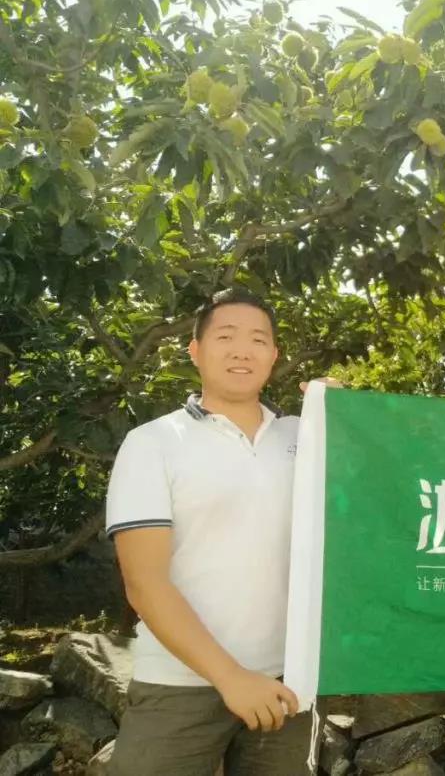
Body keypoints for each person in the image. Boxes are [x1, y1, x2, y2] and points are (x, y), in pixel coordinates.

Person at [106, 288, 313, 775]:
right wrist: (231, 677)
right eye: (226, 337)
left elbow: (378, 497)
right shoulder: (153, 443)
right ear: (195, 351)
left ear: (274, 355)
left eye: (258, 340)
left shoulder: (306, 438)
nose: (243, 350)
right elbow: (144, 582)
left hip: (287, 685)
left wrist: (342, 415)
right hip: (178, 685)